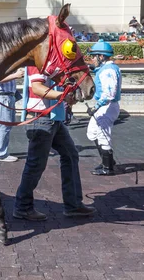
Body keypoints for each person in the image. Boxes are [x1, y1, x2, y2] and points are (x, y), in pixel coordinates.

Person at [13, 66, 96, 221]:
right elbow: (37, 88)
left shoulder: (50, 64)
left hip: (53, 118)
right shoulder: (36, 63)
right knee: (35, 164)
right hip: (41, 119)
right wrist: (63, 95)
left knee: (70, 155)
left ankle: (73, 205)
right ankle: (22, 207)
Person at [85, 41, 122, 176]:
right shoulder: (107, 68)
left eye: (94, 56)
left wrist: (96, 107)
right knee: (93, 132)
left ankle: (108, 167)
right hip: (106, 106)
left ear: (101, 57)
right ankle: (108, 162)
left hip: (107, 106)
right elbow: (97, 70)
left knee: (103, 135)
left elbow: (109, 93)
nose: (92, 59)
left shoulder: (108, 71)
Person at [0, 71, 23, 162]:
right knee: (4, 125)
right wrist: (15, 75)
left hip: (6, 96)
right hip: (2, 96)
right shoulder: (0, 63)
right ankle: (0, 154)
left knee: (8, 123)